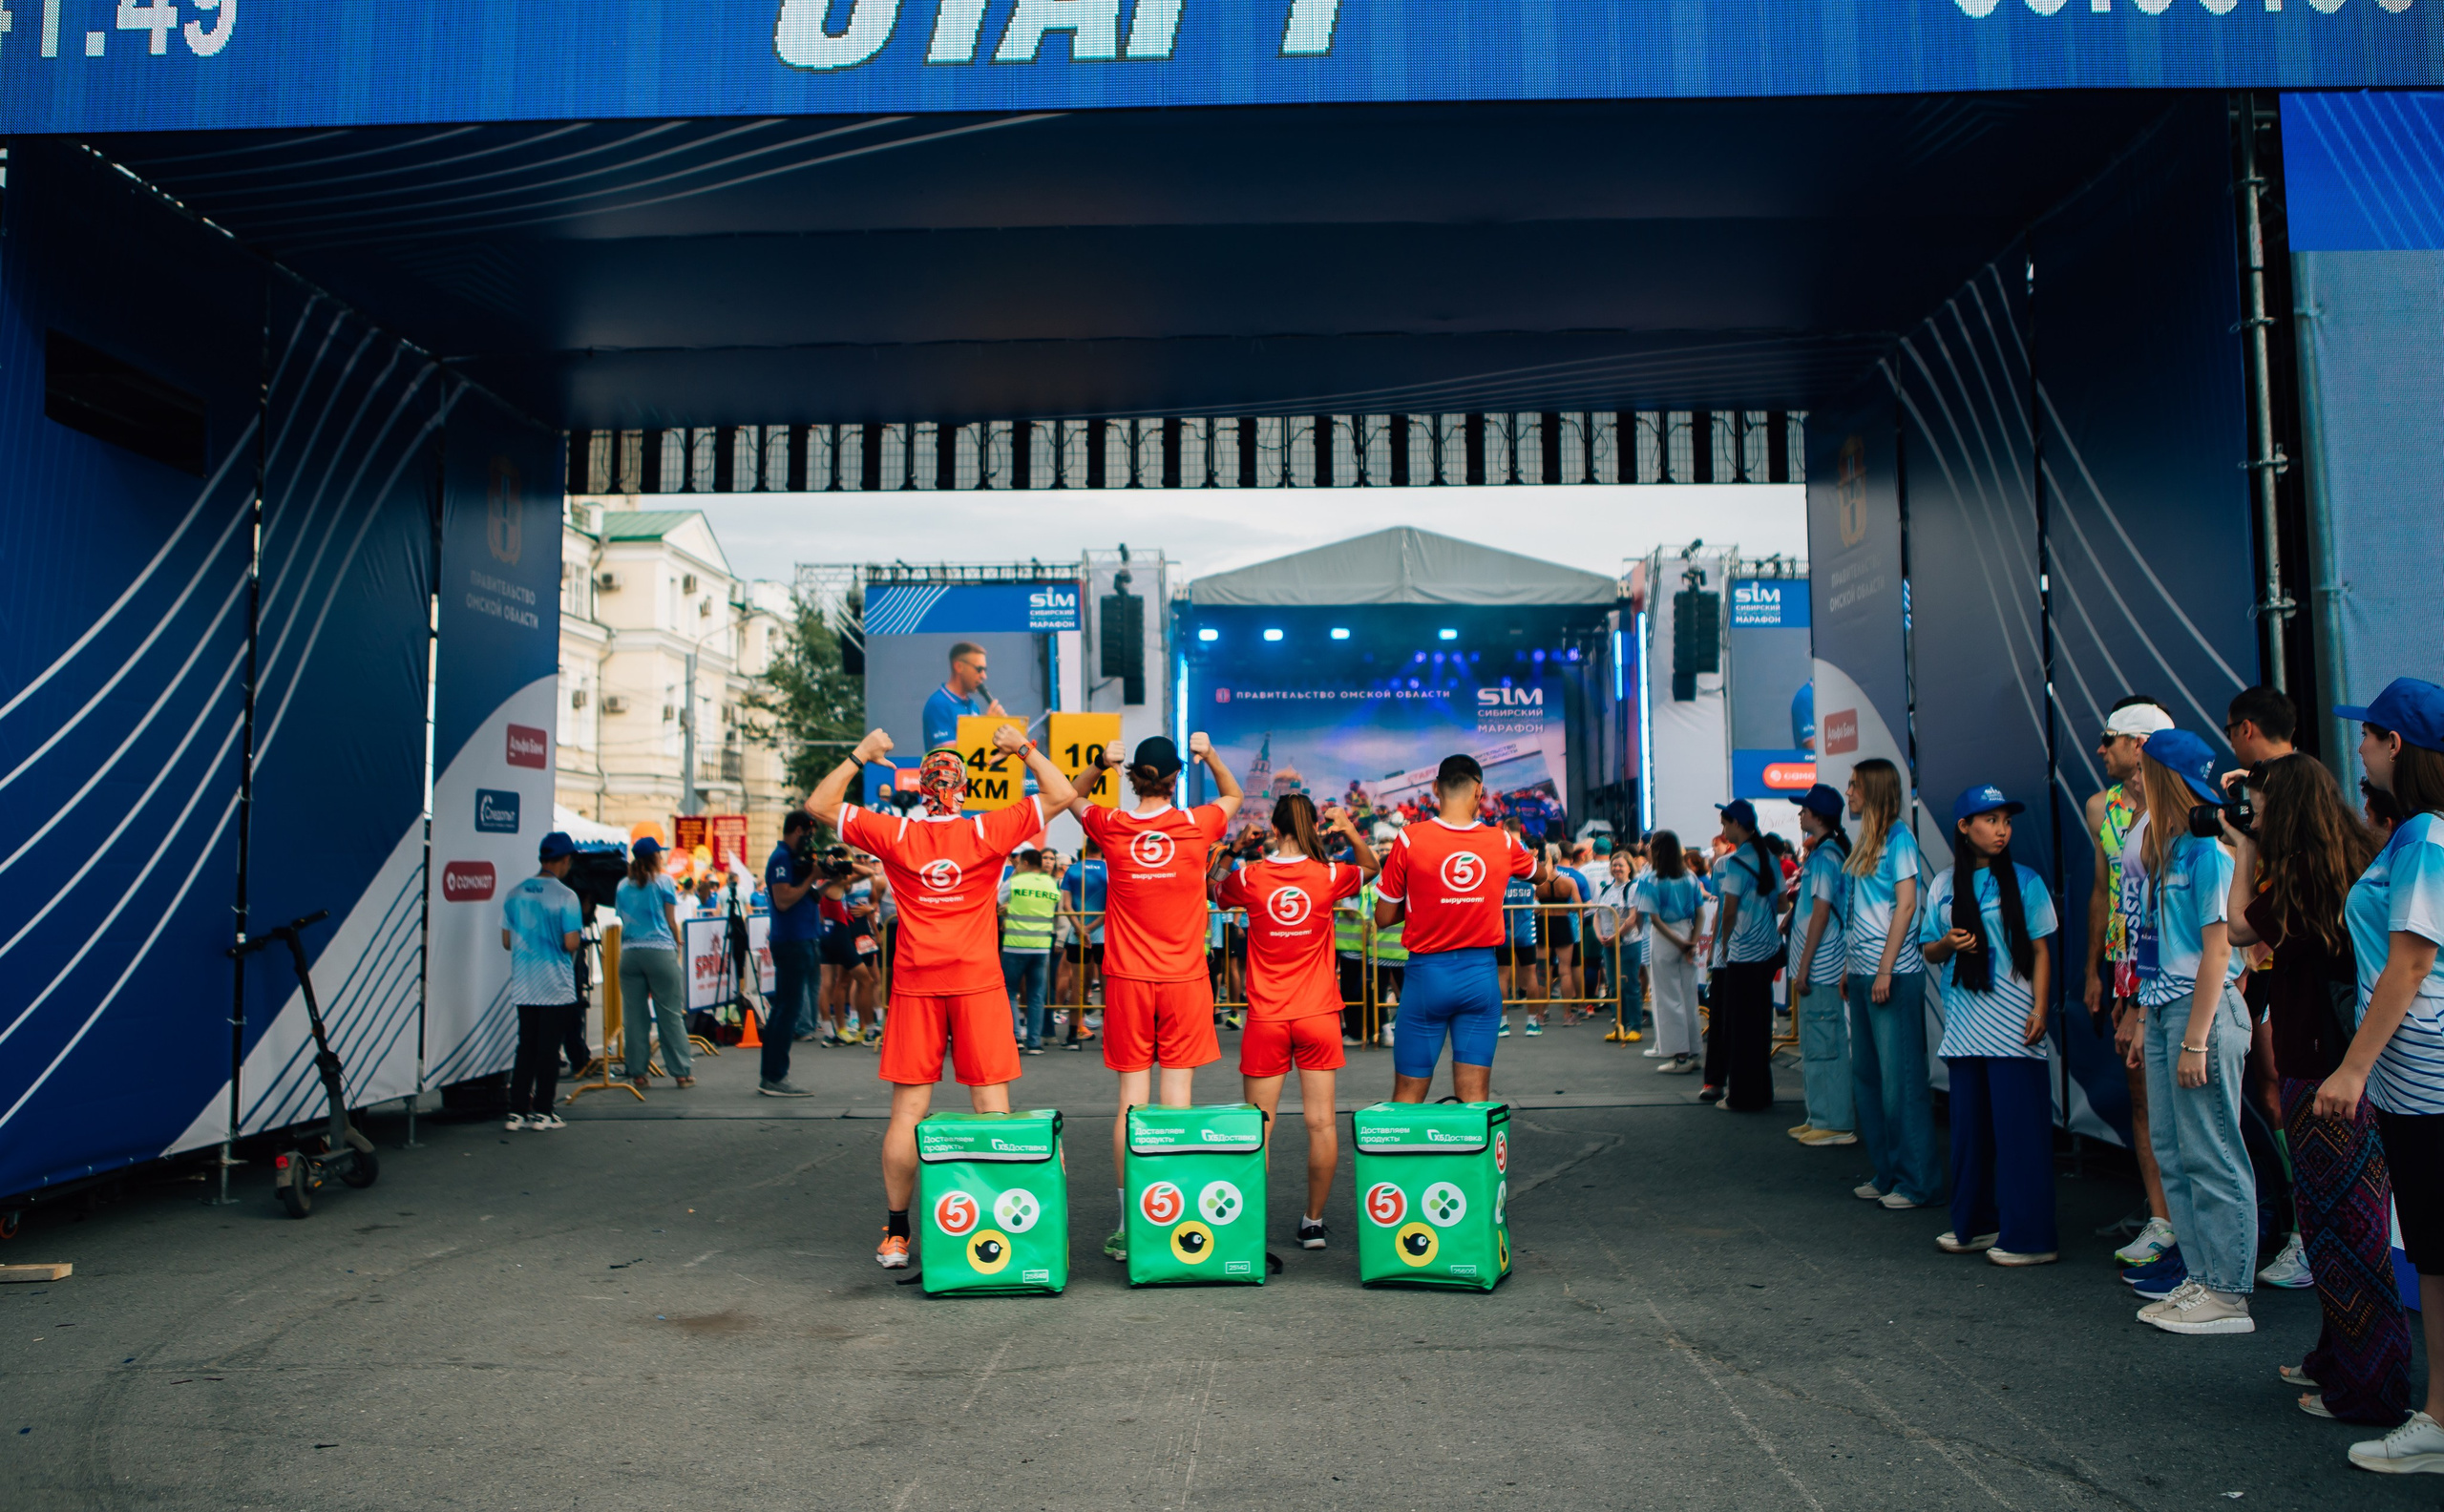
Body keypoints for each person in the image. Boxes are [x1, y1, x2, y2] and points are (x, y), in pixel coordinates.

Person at [805, 723, 1081, 1270]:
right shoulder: (987, 830)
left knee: (908, 1112)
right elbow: (1063, 792)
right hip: (977, 981)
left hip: (916, 983)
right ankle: (1005, 1229)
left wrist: (862, 753)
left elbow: (818, 804)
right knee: (992, 1107)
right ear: (964, 789)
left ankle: (896, 1235)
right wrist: (1022, 748)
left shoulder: (896, 833)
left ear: (922, 788)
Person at [2221, 753, 2409, 1422]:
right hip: (2345, 1064)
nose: (2253, 815)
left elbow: (2239, 927)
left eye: (2260, 806)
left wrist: (2244, 847)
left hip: (2326, 1070)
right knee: (2339, 1226)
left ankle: (2369, 1388)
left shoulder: (2304, 875)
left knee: (2343, 1231)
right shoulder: (2350, 858)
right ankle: (2339, 1363)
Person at [2314, 679, 2444, 1472]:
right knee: (2433, 1253)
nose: (2359, 747)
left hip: (2428, 1078)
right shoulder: (2415, 835)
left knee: (2438, 1250)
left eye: (2367, 735)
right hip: (2417, 1080)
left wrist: (2352, 1068)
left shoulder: (2424, 833)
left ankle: (2438, 1423)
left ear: (2395, 743)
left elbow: (2412, 962)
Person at [1062, 733, 1244, 1263]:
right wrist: (1211, 755)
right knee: (1177, 1099)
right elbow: (1233, 795)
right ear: (1175, 778)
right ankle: (1170, 1215)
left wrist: (1100, 763)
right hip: (1184, 979)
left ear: (1134, 777)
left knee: (1130, 1102)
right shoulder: (1196, 824)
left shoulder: (1113, 825)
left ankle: (1128, 1224)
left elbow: (1072, 796)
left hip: (1127, 979)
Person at [2125, 727, 2256, 1335]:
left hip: (2199, 1012)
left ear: (2162, 777)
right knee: (2175, 1153)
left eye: (2141, 770)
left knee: (2212, 1151)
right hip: (2164, 1009)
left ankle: (2228, 1295)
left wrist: (2196, 1038)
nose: (2133, 780)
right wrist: (2145, 1017)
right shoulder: (2169, 847)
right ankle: (2201, 1278)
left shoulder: (2207, 853)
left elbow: (2218, 951)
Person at [1214, 794, 1379, 1250]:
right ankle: (1313, 1223)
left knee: (1259, 1128)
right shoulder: (1328, 875)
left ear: (1273, 827)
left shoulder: (1250, 876)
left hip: (1267, 1017)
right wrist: (1348, 828)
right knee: (1321, 1124)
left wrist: (1233, 848)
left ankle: (1249, 1228)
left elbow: (1214, 888)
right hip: (1318, 1015)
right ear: (1311, 826)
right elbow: (1371, 867)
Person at [1921, 786, 2059, 1265]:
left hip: (2014, 1025)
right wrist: (1948, 944)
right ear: (1964, 827)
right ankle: (1976, 1225)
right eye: (1991, 820)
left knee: (2020, 1137)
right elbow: (1928, 949)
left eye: (2007, 821)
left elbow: (2040, 951)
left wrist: (2040, 1009)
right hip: (1964, 1026)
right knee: (1969, 1136)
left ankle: (2031, 1239)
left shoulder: (2026, 880)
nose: (2002, 830)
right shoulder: (1942, 885)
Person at [1375, 754, 1548, 1104]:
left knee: (1407, 1095)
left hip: (1427, 976)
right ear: (1479, 790)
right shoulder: (1502, 841)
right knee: (1474, 1098)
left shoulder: (1409, 838)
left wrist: (1428, 903)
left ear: (1435, 788)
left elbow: (1384, 916)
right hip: (1480, 976)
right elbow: (1540, 875)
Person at [2081, 699, 2181, 1270]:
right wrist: (2094, 970)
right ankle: (2162, 1221)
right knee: (2143, 1097)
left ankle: (2206, 1230)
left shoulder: (2183, 803)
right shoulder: (2102, 808)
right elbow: (2103, 889)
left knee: (2192, 1099)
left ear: (2139, 744)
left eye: (2110, 738)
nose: (2100, 749)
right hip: (2126, 966)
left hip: (2177, 966)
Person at [1844, 757, 1938, 1210]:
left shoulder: (1899, 838)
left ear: (1874, 790)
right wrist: (1851, 968)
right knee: (1868, 1078)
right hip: (1864, 972)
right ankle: (1887, 1173)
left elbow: (1907, 905)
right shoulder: (1867, 839)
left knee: (1900, 1082)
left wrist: (1884, 968)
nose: (1848, 793)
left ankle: (1916, 1182)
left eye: (1854, 786)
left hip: (1893, 975)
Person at [1702, 800, 1782, 1113]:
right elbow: (1781, 903)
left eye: (1725, 824)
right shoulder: (1770, 858)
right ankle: (1761, 1092)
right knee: (1760, 1026)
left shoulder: (1736, 863)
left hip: (1743, 954)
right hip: (1768, 951)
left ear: (1736, 824)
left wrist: (1723, 945)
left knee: (1739, 1029)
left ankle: (1741, 1096)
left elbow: (1729, 910)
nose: (1723, 830)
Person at [500, 832, 583, 1132]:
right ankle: (544, 1112)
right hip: (554, 984)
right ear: (564, 860)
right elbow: (571, 942)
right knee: (549, 1049)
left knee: (526, 1047)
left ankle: (516, 1111)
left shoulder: (514, 893)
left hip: (524, 983)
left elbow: (507, 942)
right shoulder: (566, 896)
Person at [1787, 784, 1855, 1145]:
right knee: (1816, 1044)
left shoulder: (1827, 857)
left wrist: (1803, 967)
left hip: (1822, 967)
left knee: (1825, 1044)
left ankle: (1835, 1121)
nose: (1800, 815)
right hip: (1819, 967)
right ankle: (1819, 1115)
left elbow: (1821, 913)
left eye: (1804, 810)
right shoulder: (1824, 854)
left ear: (1817, 815)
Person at [615, 835, 690, 1089]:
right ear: (655, 857)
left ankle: (638, 1073)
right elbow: (670, 921)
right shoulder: (664, 881)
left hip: (630, 954)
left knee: (634, 1017)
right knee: (669, 1013)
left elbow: (623, 918)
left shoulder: (622, 886)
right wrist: (677, 943)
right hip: (659, 951)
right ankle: (681, 1072)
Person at [760, 810, 822, 1094]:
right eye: (809, 835)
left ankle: (772, 1075)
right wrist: (811, 878)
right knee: (788, 1009)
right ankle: (775, 1076)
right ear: (799, 830)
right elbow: (783, 900)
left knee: (785, 1008)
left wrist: (824, 879)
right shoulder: (782, 858)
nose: (811, 841)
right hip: (792, 941)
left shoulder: (792, 858)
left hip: (800, 939)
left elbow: (807, 897)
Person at [1638, 831, 1703, 1072]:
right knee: (1689, 996)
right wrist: (1691, 942)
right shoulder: (1690, 877)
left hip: (1666, 938)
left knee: (1667, 997)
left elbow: (1654, 919)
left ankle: (1679, 1056)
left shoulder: (1651, 879)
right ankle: (1693, 1051)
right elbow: (1701, 913)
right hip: (1688, 932)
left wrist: (1679, 942)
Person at [1000, 846, 1059, 1054]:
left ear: (1024, 863)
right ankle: (1034, 1043)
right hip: (1041, 946)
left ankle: (1016, 1037)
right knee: (1036, 996)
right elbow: (1054, 905)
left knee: (1009, 992)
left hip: (1015, 945)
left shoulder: (1015, 882)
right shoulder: (1050, 883)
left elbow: (997, 901)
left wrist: (1007, 909)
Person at [1058, 839, 1108, 1051]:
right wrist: (1092, 927)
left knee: (1077, 985)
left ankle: (1072, 1035)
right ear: (1102, 849)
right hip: (1103, 934)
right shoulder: (1109, 870)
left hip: (1076, 934)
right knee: (1107, 987)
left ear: (1084, 848)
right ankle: (1108, 1037)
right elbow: (1111, 905)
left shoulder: (1072, 870)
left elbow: (1066, 905)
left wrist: (1080, 928)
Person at [1499, 818, 1545, 1036]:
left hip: (1503, 927)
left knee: (1502, 975)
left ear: (1506, 830)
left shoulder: (1500, 856)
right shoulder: (1528, 858)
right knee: (1530, 974)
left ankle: (1502, 1023)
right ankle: (1532, 1023)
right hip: (1526, 927)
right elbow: (1538, 889)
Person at [921, 640, 1006, 752]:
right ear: (959, 666)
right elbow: (949, 753)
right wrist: (986, 726)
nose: (984, 676)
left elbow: (979, 751)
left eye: (985, 670)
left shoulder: (973, 706)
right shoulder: (938, 704)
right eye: (979, 669)